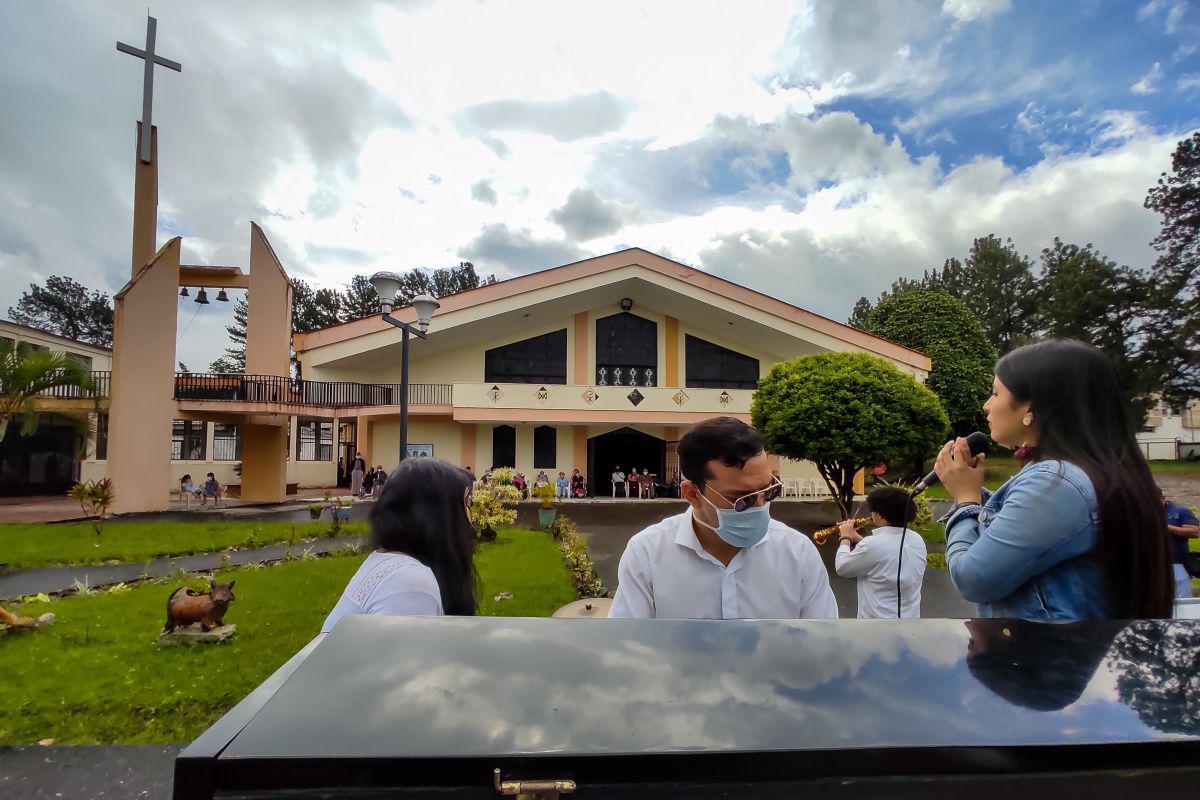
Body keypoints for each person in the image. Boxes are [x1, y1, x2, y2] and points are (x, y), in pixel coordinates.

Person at [936, 339, 1174, 619]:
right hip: (1070, 656)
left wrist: (965, 502)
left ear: (1030, 408)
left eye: (996, 393)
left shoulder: (1055, 484)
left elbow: (973, 579)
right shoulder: (1085, 474)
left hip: (1045, 658)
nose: (987, 406)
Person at [609, 416, 837, 620]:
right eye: (742, 499)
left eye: (769, 491)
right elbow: (627, 647)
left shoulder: (797, 552)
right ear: (692, 494)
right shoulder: (647, 554)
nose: (760, 506)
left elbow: (825, 645)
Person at [322, 458, 477, 633]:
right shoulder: (409, 584)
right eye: (467, 504)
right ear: (439, 517)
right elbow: (407, 659)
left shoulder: (391, 565)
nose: (470, 517)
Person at [834, 487, 927, 618]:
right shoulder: (917, 540)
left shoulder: (872, 544)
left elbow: (842, 567)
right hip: (910, 622)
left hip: (876, 627)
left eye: (872, 511)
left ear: (880, 515)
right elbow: (885, 553)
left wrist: (845, 538)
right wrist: (856, 537)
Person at [1162, 488, 1199, 599]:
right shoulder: (1144, 513)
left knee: (1182, 599)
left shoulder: (1180, 511)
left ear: (1163, 498)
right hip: (1153, 564)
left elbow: (1195, 532)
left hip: (1177, 563)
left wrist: (1167, 527)